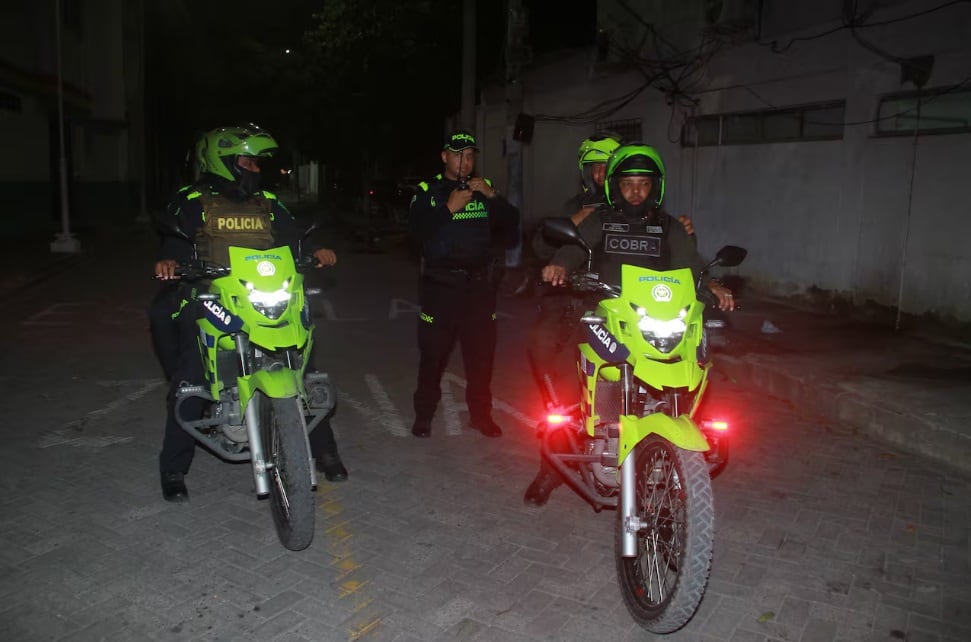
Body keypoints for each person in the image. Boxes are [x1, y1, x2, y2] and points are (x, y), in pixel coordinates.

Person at [523, 142, 735, 507]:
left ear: (655, 187)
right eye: (628, 184)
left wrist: (711, 284)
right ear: (615, 186)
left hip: (654, 318)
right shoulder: (599, 219)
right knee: (564, 392)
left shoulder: (670, 226)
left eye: (643, 184)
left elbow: (691, 266)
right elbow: (574, 249)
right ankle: (551, 467)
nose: (636, 191)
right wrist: (561, 265)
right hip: (604, 314)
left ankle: (674, 459)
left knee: (693, 362)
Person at [152, 124, 347, 503]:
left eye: (256, 162)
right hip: (213, 296)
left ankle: (325, 451)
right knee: (191, 375)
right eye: (246, 160)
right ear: (221, 160)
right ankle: (173, 466)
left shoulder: (269, 202)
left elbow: (294, 238)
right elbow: (172, 242)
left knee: (299, 364)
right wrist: (170, 262)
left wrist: (317, 251)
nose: (254, 168)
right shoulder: (191, 199)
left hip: (263, 294)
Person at [408, 129, 520, 438]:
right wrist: (448, 209)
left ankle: (481, 415)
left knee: (481, 356)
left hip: (479, 288)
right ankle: (424, 415)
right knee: (433, 355)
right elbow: (416, 234)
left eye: (470, 156)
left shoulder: (484, 190)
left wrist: (492, 197)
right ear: (445, 156)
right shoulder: (428, 191)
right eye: (458, 155)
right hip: (441, 287)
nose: (465, 161)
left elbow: (511, 230)